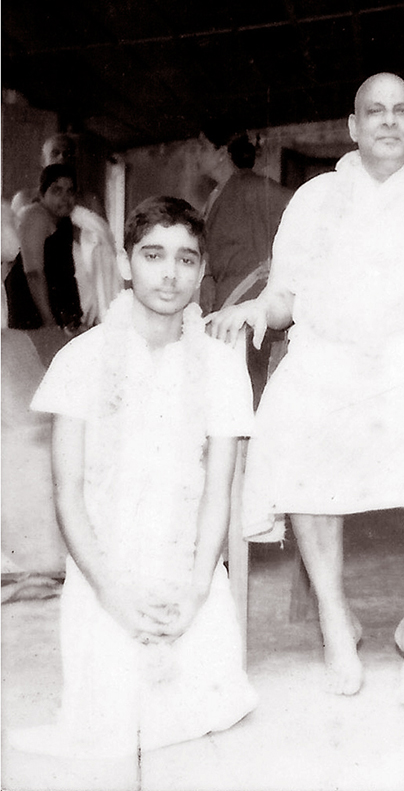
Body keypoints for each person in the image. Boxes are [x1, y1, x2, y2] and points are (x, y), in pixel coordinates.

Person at [210, 72, 404, 695]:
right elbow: (285, 297)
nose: (389, 120)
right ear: (353, 126)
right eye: (375, 111)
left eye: (401, 111)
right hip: (335, 357)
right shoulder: (314, 198)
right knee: (295, 418)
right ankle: (335, 617)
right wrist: (258, 308)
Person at [11, 196, 257, 759]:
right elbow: (68, 494)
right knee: (108, 728)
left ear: (201, 269)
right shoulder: (80, 359)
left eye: (186, 259)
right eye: (153, 255)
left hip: (189, 570)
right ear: (124, 263)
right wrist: (111, 594)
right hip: (106, 571)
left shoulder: (221, 367)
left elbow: (217, 493)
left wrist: (197, 590)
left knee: (199, 716)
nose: (170, 274)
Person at [200, 132, 292, 403]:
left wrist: (277, 264)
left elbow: (300, 210)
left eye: (202, 146)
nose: (197, 155)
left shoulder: (254, 187)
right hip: (223, 301)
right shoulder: (216, 195)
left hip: (252, 304)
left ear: (222, 152)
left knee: (248, 392)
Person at [10, 132, 122, 328]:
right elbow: (22, 261)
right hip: (37, 301)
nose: (62, 157)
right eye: (56, 153)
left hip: (79, 290)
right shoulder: (27, 202)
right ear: (43, 159)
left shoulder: (88, 200)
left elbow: (103, 248)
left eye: (68, 153)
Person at [8, 164, 82, 332]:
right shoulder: (35, 216)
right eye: (57, 191)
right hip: (34, 312)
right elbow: (33, 273)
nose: (65, 198)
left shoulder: (63, 221)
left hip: (57, 313)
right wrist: (49, 321)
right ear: (42, 193)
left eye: (70, 191)